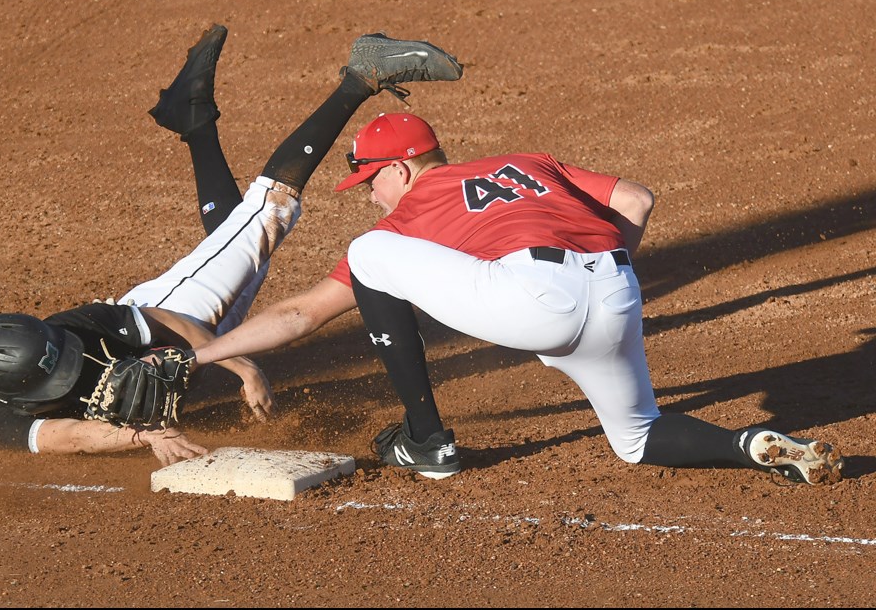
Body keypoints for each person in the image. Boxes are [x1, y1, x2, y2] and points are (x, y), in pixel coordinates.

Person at [192, 111, 845, 485]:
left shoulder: (406, 215)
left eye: (369, 182)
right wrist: (597, 286)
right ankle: (748, 445)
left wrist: (197, 358)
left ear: (397, 170)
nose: (370, 197)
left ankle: (427, 442)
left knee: (368, 254)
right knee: (639, 438)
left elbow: (301, 313)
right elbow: (636, 201)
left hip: (537, 298)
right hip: (614, 289)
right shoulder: (527, 163)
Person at [0, 26, 464, 466]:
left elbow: (173, 322)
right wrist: (142, 436)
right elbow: (69, 437)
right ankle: (194, 119)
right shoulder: (3, 422)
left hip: (176, 308)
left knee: (269, 214)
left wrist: (242, 364)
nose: (75, 362)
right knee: (237, 237)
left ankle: (361, 76)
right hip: (191, 345)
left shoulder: (79, 326)